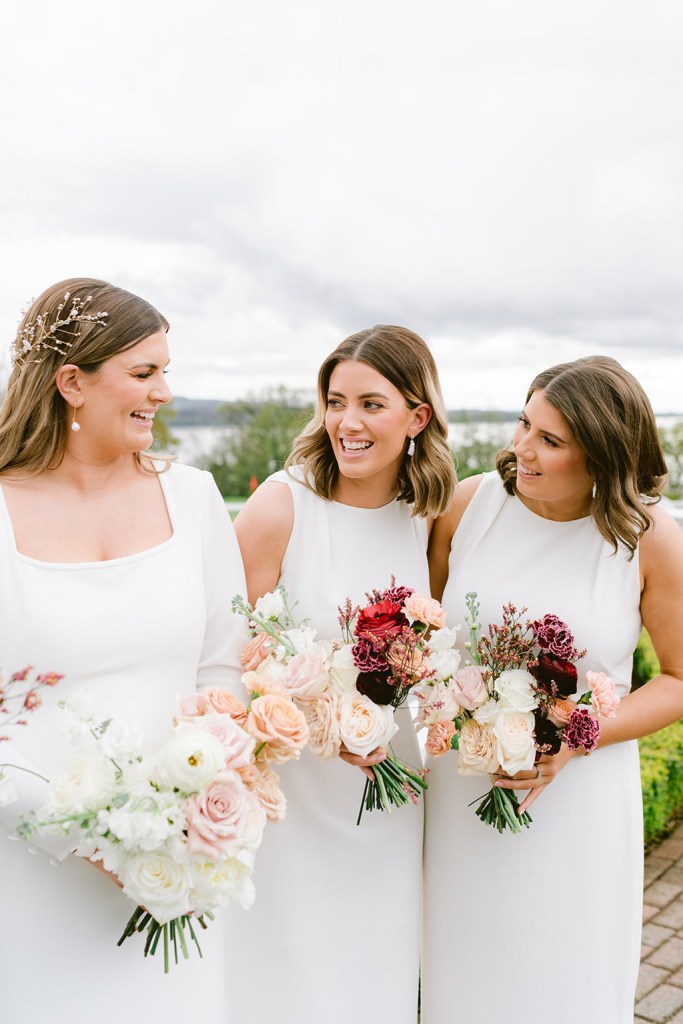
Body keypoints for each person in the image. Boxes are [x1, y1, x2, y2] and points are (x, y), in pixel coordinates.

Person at [0, 278, 248, 1024]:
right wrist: (91, 836)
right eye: (144, 373)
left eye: (165, 371)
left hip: (174, 872)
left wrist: (191, 807)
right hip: (27, 870)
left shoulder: (197, 497)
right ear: (72, 383)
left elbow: (220, 666)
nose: (165, 392)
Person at [422, 355, 683, 1024]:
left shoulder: (646, 537)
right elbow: (424, 634)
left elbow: (678, 682)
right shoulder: (469, 504)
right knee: (464, 974)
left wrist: (574, 735)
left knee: (566, 980)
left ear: (599, 456)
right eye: (522, 423)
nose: (521, 448)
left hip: (581, 805)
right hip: (463, 794)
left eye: (549, 440)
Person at [226, 325, 457, 1024]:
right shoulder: (281, 502)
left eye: (370, 404)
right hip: (295, 791)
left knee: (374, 968)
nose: (345, 423)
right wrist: (309, 705)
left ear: (417, 417)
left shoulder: (424, 518)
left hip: (389, 790)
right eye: (334, 401)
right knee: (285, 971)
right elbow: (222, 647)